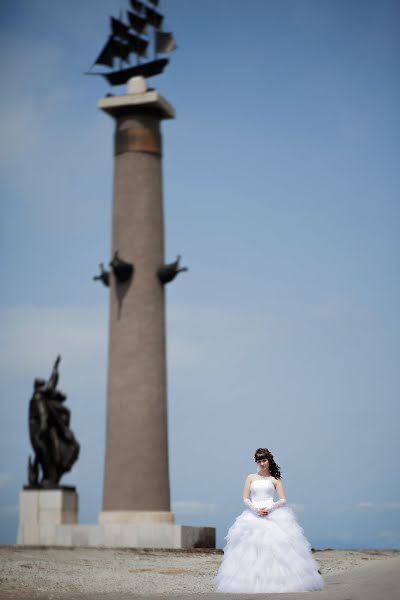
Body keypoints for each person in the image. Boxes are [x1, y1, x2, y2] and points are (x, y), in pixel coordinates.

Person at [215, 448, 324, 593]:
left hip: (272, 514)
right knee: (250, 550)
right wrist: (255, 509)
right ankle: (250, 583)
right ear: (256, 462)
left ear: (269, 461)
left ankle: (279, 583)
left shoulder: (275, 479)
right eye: (259, 461)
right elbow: (245, 498)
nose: (262, 463)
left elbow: (283, 499)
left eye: (264, 460)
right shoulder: (250, 478)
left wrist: (270, 509)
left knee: (277, 549)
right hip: (253, 515)